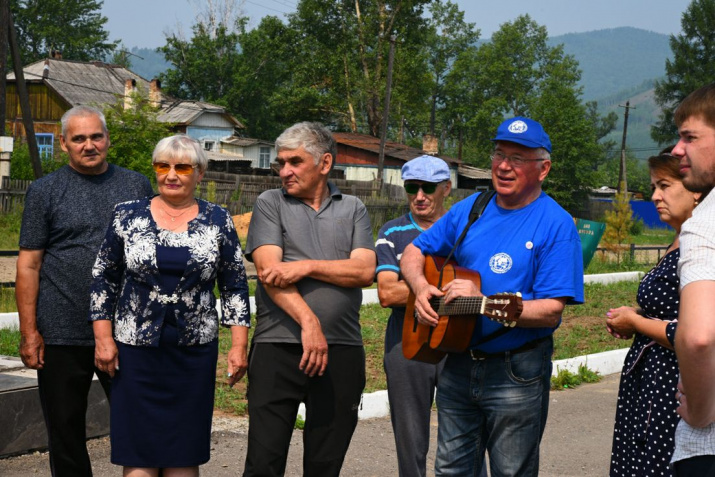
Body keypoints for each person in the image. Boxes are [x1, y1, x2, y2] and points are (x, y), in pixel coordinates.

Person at [400, 116, 584, 476]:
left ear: (543, 169)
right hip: (457, 361)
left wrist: (483, 301)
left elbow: (550, 311)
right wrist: (421, 288)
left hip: (516, 370)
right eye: (499, 154)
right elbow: (413, 252)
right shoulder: (473, 207)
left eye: (517, 158)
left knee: (511, 471)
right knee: (451, 470)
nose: (503, 165)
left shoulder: (556, 224)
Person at [88, 134, 250, 477]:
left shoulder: (218, 219)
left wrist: (238, 346)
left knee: (183, 454)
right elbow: (104, 278)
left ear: (200, 173)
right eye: (163, 166)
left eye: (182, 167)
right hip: (136, 352)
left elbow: (234, 285)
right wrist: (103, 339)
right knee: (139, 454)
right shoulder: (127, 215)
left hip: (193, 353)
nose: (171, 174)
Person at [15, 105, 153, 477]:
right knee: (65, 431)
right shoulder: (45, 191)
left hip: (125, 329)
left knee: (139, 424)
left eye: (96, 136)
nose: (89, 145)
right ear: (63, 144)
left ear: (107, 139)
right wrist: (30, 333)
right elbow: (28, 264)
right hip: (61, 328)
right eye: (79, 138)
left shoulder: (136, 186)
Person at [243, 121, 376, 477]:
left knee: (325, 463)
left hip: (342, 349)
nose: (284, 171)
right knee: (263, 462)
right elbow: (271, 273)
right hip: (278, 346)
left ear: (325, 163)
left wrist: (303, 267)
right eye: (280, 163)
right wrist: (310, 322)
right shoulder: (270, 202)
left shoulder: (353, 208)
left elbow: (364, 271)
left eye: (294, 162)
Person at [606, 148, 701, 476]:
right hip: (650, 382)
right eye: (653, 187)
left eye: (664, 186)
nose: (655, 196)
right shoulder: (679, 240)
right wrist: (636, 318)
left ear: (695, 190)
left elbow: (691, 332)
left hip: (671, 387)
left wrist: (637, 322)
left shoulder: (700, 248)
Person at [375, 155, 451, 477]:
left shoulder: (464, 229)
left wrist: (419, 289)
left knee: (461, 434)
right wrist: (438, 292)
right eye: (412, 187)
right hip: (406, 339)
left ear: (446, 188)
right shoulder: (392, 232)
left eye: (428, 187)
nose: (419, 196)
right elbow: (386, 293)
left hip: (457, 341)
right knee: (409, 437)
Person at [668, 83, 715, 476]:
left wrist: (700, 414)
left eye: (689, 137)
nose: (676, 149)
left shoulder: (704, 222)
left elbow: (698, 337)